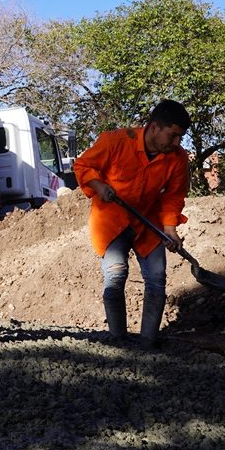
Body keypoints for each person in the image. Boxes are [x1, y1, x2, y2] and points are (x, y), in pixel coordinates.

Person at [73, 99, 191, 348]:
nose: (176, 143)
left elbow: (173, 196)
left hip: (148, 222)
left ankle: (147, 343)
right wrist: (99, 185)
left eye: (180, 137)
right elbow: (83, 165)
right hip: (111, 221)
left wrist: (169, 228)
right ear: (155, 127)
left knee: (157, 279)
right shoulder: (115, 142)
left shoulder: (177, 159)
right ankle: (119, 341)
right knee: (116, 274)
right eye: (173, 136)